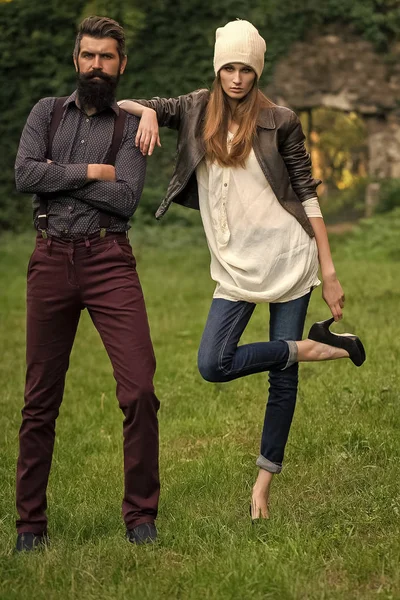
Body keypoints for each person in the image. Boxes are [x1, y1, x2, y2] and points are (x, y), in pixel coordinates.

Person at [119, 19, 365, 522]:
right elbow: (125, 103)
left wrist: (330, 268)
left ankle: (263, 487)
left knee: (282, 382)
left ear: (257, 71)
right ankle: (314, 347)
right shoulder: (194, 109)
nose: (236, 78)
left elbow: (308, 193)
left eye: (245, 69)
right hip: (234, 265)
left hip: (287, 257)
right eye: (228, 67)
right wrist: (145, 113)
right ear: (218, 68)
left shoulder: (280, 120)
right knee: (213, 363)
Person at [14, 16, 159, 551]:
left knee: (140, 389)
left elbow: (126, 200)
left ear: (122, 65)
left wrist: (63, 173)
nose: (97, 65)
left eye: (108, 57)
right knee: (39, 400)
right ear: (77, 60)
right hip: (50, 260)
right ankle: (30, 527)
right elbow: (25, 175)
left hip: (109, 260)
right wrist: (96, 171)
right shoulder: (45, 113)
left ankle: (141, 516)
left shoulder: (131, 125)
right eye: (89, 56)